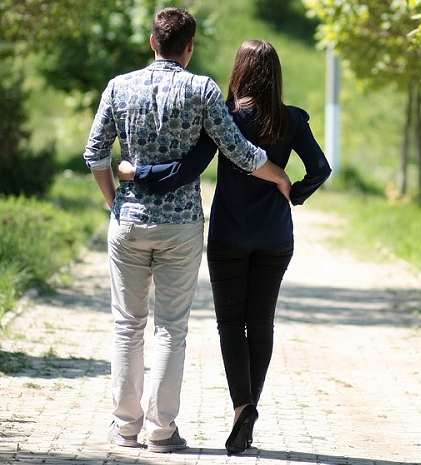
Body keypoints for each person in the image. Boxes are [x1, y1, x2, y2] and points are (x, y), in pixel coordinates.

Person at [82, 9, 291, 453]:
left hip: (129, 222)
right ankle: (162, 431)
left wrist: (113, 201)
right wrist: (279, 176)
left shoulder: (119, 87)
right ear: (190, 47)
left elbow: (95, 153)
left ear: (152, 42)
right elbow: (239, 151)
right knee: (171, 328)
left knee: (127, 324)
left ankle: (125, 427)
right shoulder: (202, 90)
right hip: (180, 226)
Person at [118, 39, 332, 455]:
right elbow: (321, 168)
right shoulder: (291, 119)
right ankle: (245, 413)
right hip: (274, 236)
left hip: (229, 235)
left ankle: (242, 406)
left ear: (240, 72)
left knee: (231, 324)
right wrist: (294, 193)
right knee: (262, 322)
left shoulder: (226, 118)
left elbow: (187, 169)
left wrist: (137, 172)